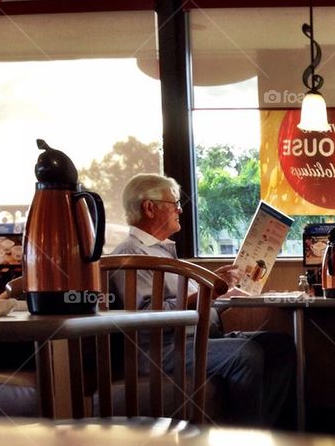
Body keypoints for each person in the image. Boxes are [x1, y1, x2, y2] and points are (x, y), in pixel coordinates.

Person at [112, 173, 296, 429]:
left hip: (196, 339)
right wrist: (209, 292)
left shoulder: (163, 251)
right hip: (162, 350)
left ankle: (266, 428)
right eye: (174, 202)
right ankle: (249, 439)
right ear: (149, 207)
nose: (180, 209)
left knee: (280, 345)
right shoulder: (132, 254)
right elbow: (147, 316)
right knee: (246, 354)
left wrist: (227, 291)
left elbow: (194, 301)